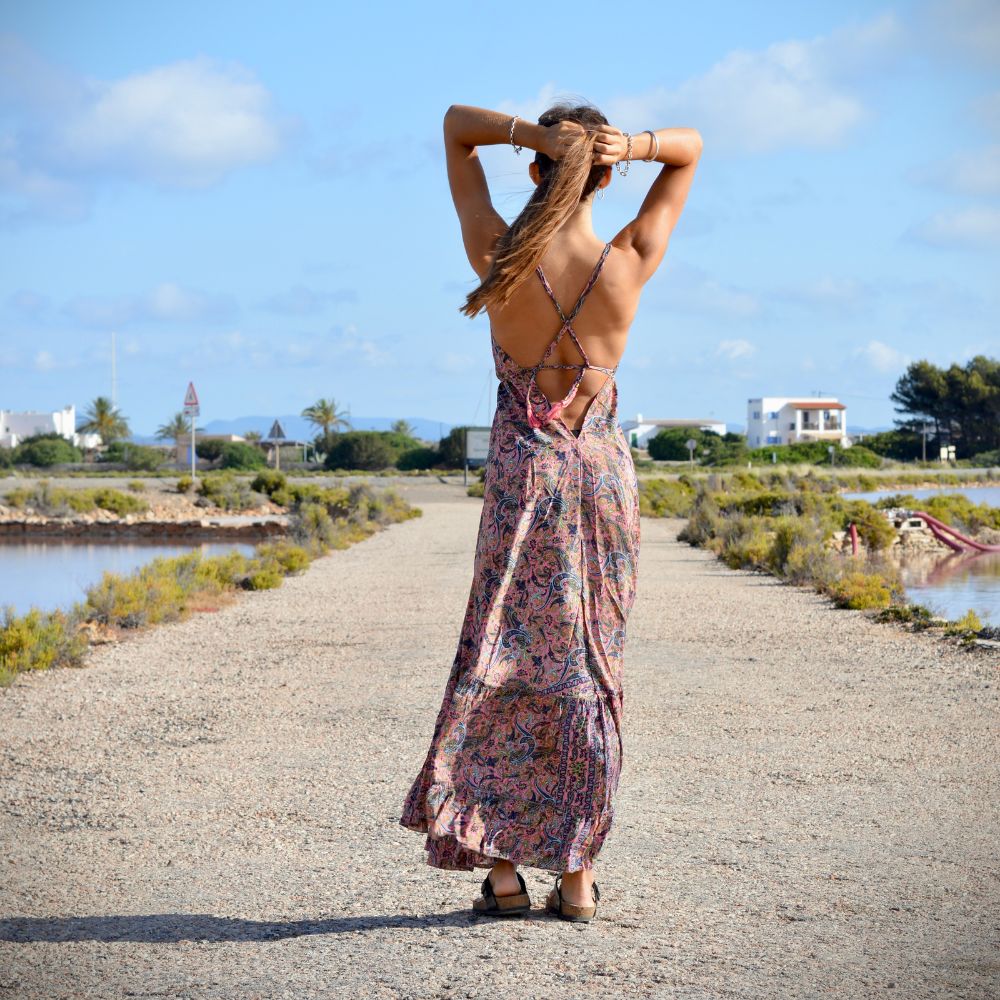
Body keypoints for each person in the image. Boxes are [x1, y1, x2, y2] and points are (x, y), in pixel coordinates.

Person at [399, 100, 702, 922]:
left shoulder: (497, 255)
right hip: (599, 480)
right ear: (609, 176)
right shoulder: (629, 258)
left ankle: (501, 870)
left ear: (534, 170)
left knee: (501, 655)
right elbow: (690, 152)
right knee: (590, 667)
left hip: (519, 477)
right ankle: (575, 875)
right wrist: (634, 144)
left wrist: (531, 138)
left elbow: (454, 126)